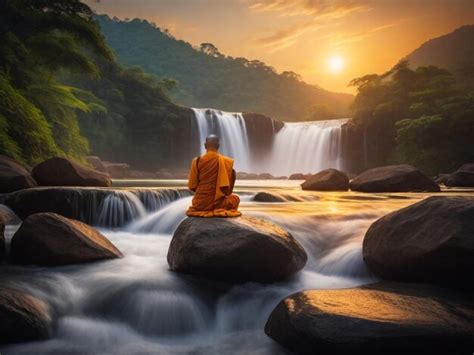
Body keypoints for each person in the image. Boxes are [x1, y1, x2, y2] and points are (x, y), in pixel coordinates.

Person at [186, 135, 241, 217]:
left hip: (199, 204)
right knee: (236, 199)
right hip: (218, 203)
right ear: (218, 146)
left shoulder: (196, 161)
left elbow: (192, 186)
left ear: (205, 146)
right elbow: (227, 191)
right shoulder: (226, 162)